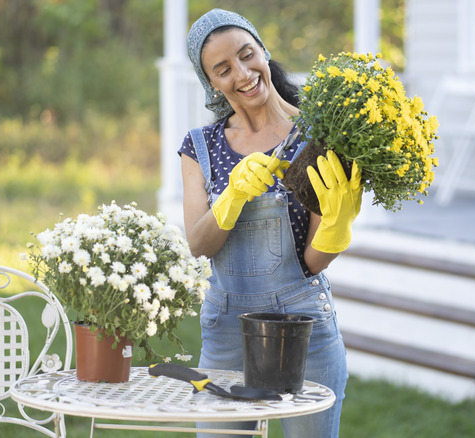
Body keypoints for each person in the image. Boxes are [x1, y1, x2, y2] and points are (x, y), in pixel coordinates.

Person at [178, 8, 362, 438]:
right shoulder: (200, 147)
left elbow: (313, 261)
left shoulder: (319, 133)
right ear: (212, 84)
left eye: (247, 55)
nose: (242, 74)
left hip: (304, 325)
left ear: (263, 50)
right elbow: (199, 243)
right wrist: (233, 195)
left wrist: (339, 224)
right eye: (223, 69)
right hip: (226, 329)